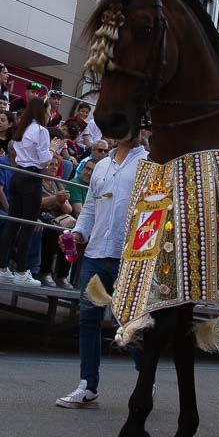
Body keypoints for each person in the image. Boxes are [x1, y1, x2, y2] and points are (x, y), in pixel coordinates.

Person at [55, 134, 148, 409]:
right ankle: (88, 384)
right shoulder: (102, 166)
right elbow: (91, 209)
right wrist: (78, 233)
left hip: (129, 256)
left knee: (130, 324)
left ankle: (146, 377)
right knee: (89, 319)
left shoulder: (148, 163)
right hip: (96, 253)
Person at [0, 96, 51, 287]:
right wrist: (54, 150)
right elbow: (44, 159)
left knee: (12, 222)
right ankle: (20, 271)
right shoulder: (41, 131)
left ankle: (1, 268)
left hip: (18, 174)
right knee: (27, 225)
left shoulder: (23, 128)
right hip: (32, 177)